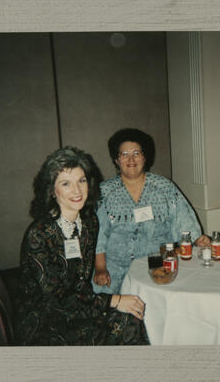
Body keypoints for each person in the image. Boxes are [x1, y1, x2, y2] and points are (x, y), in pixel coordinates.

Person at [16, 146, 149, 345]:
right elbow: (55, 300)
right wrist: (114, 300)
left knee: (132, 319)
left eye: (82, 180)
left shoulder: (88, 222)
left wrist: (109, 301)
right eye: (66, 183)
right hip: (45, 320)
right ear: (52, 190)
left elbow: (80, 284)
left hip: (79, 306)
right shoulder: (40, 234)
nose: (77, 190)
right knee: (125, 324)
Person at [93, 128, 210, 294]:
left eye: (136, 153)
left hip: (156, 265)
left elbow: (183, 219)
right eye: (124, 154)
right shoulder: (105, 191)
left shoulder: (164, 187)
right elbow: (99, 233)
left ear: (145, 157)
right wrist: (100, 268)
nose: (131, 159)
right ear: (116, 160)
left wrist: (197, 239)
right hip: (114, 268)